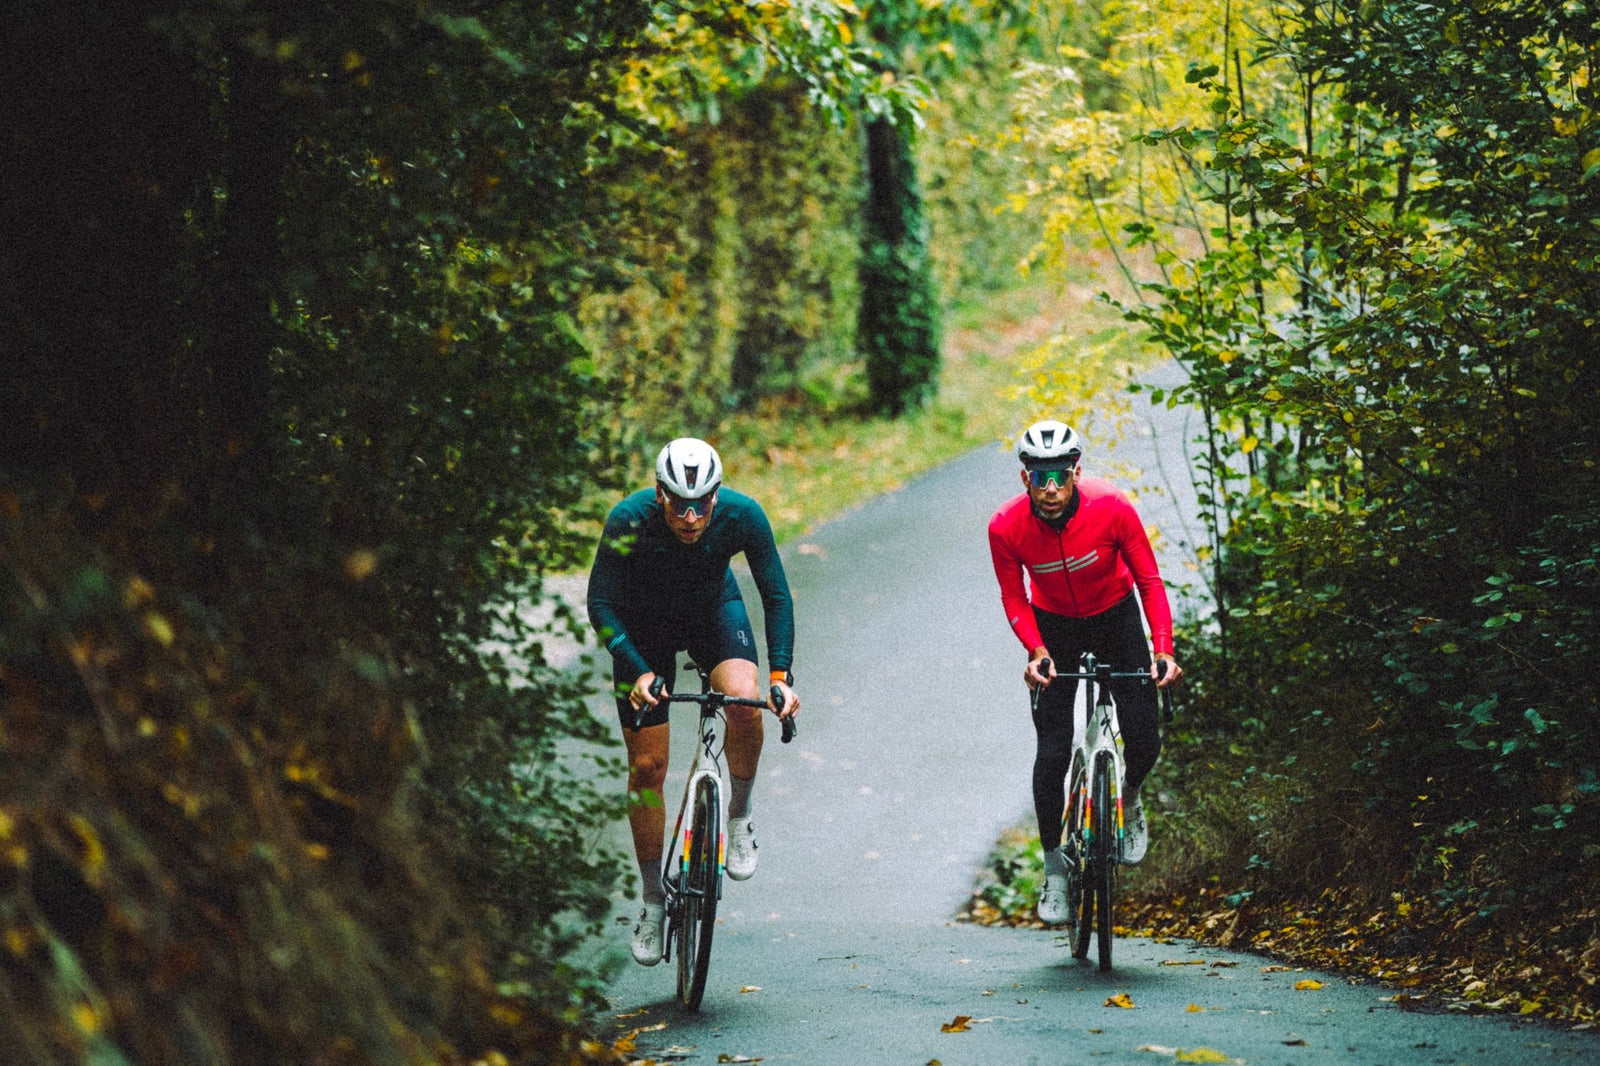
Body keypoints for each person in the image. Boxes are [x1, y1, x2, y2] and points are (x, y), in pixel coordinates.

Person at [587, 437, 800, 966]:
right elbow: (601, 601)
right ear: (658, 493)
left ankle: (740, 815)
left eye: (701, 502)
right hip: (644, 631)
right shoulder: (628, 519)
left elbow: (775, 594)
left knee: (746, 701)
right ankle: (653, 902)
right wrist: (636, 669)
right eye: (678, 502)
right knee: (647, 767)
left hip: (713, 613)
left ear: (717, 494)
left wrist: (781, 675)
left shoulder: (742, 515)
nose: (689, 516)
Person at [986, 419, 1182, 924]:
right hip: (1055, 630)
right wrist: (1035, 649)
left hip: (1116, 619)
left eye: (1060, 476)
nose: (1050, 490)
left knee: (1145, 736)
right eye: (1039, 477)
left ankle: (1130, 798)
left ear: (1077, 472)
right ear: (1024, 477)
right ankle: (1054, 870)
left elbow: (1149, 580)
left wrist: (1162, 648)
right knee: (1052, 749)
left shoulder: (1112, 508)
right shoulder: (1005, 526)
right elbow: (1014, 596)